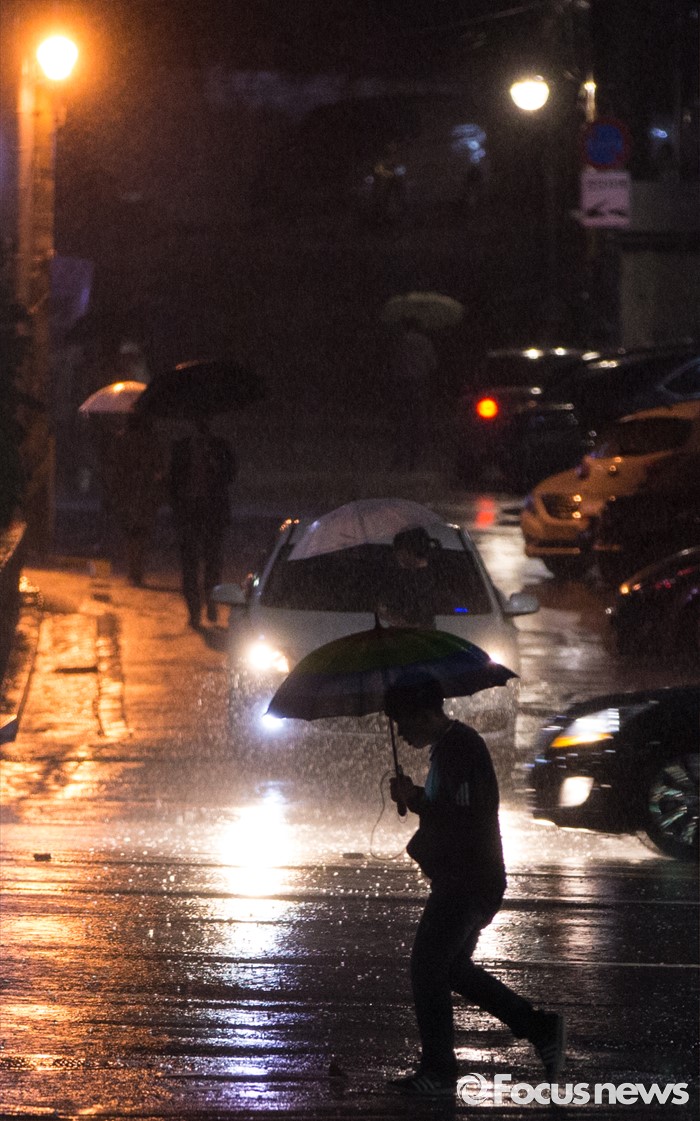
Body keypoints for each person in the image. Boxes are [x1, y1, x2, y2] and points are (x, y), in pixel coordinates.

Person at [384, 673, 565, 1098]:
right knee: (451, 969)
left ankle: (439, 1069)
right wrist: (415, 797)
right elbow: (449, 810)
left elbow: (461, 818)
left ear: (424, 714)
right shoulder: (448, 748)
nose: (401, 732)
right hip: (467, 878)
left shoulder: (459, 749)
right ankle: (540, 1028)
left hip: (467, 881)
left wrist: (417, 805)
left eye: (403, 722)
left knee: (427, 968)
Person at [169, 417, 236, 628]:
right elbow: (173, 480)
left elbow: (231, 474)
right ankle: (194, 609)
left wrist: (214, 464)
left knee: (212, 562)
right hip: (189, 513)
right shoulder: (181, 448)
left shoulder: (220, 447)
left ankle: (211, 600)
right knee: (189, 564)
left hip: (212, 513)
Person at [98, 412, 165, 586]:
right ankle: (138, 571)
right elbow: (159, 467)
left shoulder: (121, 440)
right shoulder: (151, 441)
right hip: (145, 492)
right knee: (142, 533)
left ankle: (132, 570)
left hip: (126, 492)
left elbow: (114, 467)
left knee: (130, 532)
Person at [389, 317, 437, 470]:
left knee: (403, 419)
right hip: (420, 382)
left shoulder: (402, 341)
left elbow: (395, 362)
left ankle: (399, 457)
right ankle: (414, 459)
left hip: (403, 382)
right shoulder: (425, 341)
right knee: (418, 419)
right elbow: (432, 364)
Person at [377, 526, 438, 628]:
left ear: (407, 551)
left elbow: (412, 618)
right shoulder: (438, 574)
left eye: (397, 551)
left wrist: (388, 615)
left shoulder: (407, 580)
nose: (397, 556)